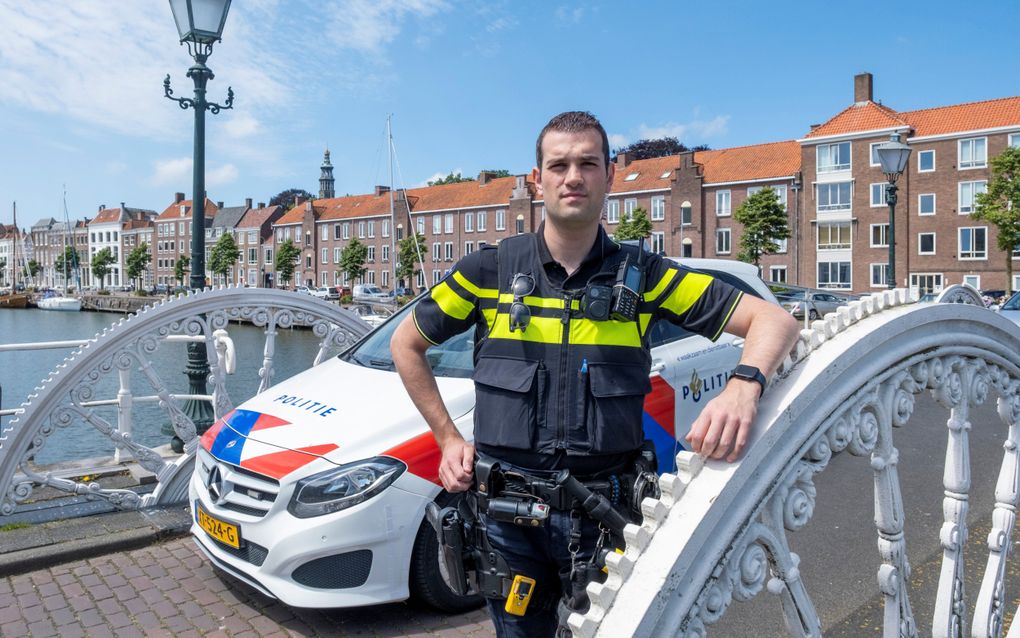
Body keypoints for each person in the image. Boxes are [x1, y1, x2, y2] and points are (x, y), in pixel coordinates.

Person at [391, 111, 801, 637]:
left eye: (588, 163)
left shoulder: (646, 276)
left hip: (605, 516)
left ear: (609, 174)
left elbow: (774, 320)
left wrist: (744, 386)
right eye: (558, 165)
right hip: (507, 522)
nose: (573, 176)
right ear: (537, 181)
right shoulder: (488, 272)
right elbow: (406, 344)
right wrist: (447, 438)